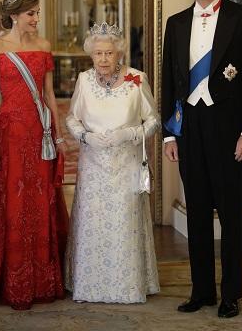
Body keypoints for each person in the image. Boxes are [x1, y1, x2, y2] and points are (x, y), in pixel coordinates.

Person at [161, 0, 242, 318]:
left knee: (232, 215)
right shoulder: (175, 24)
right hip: (189, 128)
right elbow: (169, 83)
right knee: (198, 214)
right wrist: (169, 135)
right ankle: (202, 290)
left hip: (229, 131)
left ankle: (230, 294)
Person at [0, 0, 69, 310]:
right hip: (9, 134)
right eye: (31, 14)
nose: (36, 18)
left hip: (40, 133)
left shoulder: (44, 45)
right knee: (14, 205)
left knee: (41, 201)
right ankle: (15, 279)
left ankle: (44, 279)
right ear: (15, 16)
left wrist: (58, 136)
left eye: (37, 13)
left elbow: (49, 95)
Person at [65, 22, 160, 303]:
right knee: (93, 225)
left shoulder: (137, 79)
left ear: (119, 53)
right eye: (98, 54)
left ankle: (127, 287)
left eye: (109, 53)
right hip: (93, 165)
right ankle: (90, 286)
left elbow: (153, 120)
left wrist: (129, 133)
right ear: (91, 55)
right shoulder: (83, 80)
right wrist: (84, 136)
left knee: (123, 225)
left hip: (126, 165)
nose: (103, 59)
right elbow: (72, 118)